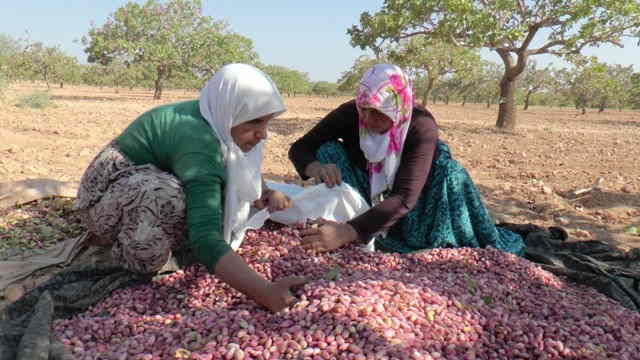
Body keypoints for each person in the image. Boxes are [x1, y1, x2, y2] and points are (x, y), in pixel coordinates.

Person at [74, 63, 306, 313]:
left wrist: (264, 192)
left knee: (198, 200)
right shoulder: (198, 142)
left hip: (147, 177)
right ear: (230, 111)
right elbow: (205, 237)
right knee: (167, 197)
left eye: (267, 123)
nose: (263, 134)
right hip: (104, 195)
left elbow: (239, 166)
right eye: (255, 122)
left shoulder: (220, 121)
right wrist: (265, 291)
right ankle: (117, 245)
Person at [289, 64, 525, 256]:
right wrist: (317, 168)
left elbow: (405, 196)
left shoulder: (421, 125)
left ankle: (376, 229)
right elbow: (300, 148)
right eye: (364, 109)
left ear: (398, 109)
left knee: (449, 170)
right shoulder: (351, 113)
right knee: (329, 150)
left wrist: (346, 233)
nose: (368, 119)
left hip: (419, 199)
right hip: (366, 187)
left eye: (379, 112)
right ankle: (361, 220)